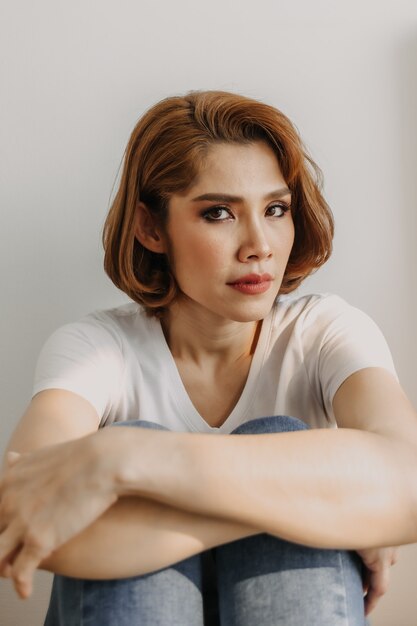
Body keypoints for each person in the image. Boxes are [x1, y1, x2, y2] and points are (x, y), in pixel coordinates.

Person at [1, 90, 416, 626]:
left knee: (272, 435)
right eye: (218, 213)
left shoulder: (324, 332)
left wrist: (121, 461)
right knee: (268, 452)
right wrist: (326, 506)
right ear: (151, 228)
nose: (259, 245)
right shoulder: (96, 349)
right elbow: (20, 513)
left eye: (275, 209)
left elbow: (408, 482)